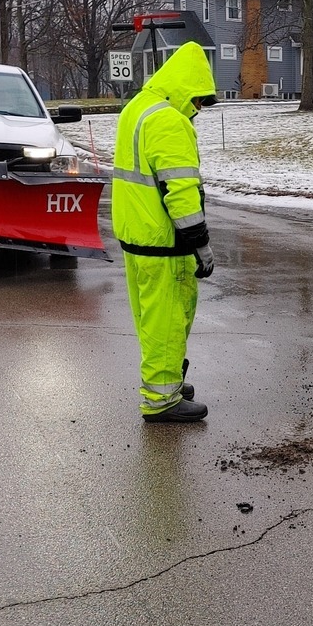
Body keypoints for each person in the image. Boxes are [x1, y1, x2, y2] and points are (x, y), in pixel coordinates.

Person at [111, 41, 217, 423]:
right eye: (200, 100)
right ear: (188, 87)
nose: (199, 109)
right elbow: (182, 192)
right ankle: (162, 400)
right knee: (169, 321)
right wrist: (200, 244)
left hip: (136, 236)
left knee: (151, 319)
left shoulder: (136, 109)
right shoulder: (170, 120)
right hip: (163, 242)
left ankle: (167, 378)